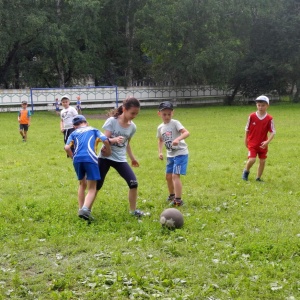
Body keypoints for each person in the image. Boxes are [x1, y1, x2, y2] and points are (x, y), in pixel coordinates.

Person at [97, 96, 145, 217]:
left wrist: (132, 158)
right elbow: (104, 139)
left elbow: (127, 144)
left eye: (136, 114)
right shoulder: (112, 121)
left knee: (133, 183)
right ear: (124, 109)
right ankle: (86, 209)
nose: (134, 116)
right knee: (97, 185)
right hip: (105, 157)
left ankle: (133, 211)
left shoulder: (133, 127)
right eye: (132, 113)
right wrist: (114, 140)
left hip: (120, 159)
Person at [64, 115, 111, 221]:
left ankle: (80, 209)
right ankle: (85, 210)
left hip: (77, 160)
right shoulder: (94, 130)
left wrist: (73, 157)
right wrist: (108, 150)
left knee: (82, 184)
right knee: (92, 188)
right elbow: (105, 140)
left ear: (75, 126)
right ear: (86, 122)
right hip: (91, 159)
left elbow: (66, 147)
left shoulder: (73, 133)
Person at [157, 101, 190, 207]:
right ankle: (172, 196)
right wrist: (160, 152)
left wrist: (178, 139)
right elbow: (161, 140)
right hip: (170, 154)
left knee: (175, 176)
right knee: (168, 176)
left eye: (169, 114)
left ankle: (178, 200)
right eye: (164, 114)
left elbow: (186, 132)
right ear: (159, 114)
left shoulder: (175, 123)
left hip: (180, 153)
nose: (167, 116)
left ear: (173, 113)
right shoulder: (160, 127)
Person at [242, 95, 276, 182]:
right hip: (252, 143)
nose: (260, 107)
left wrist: (267, 142)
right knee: (252, 159)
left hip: (262, 145)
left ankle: (258, 178)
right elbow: (247, 129)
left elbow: (273, 132)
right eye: (259, 105)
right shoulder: (252, 116)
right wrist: (246, 140)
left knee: (262, 161)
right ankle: (246, 171)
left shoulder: (269, 118)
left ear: (267, 105)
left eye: (263, 105)